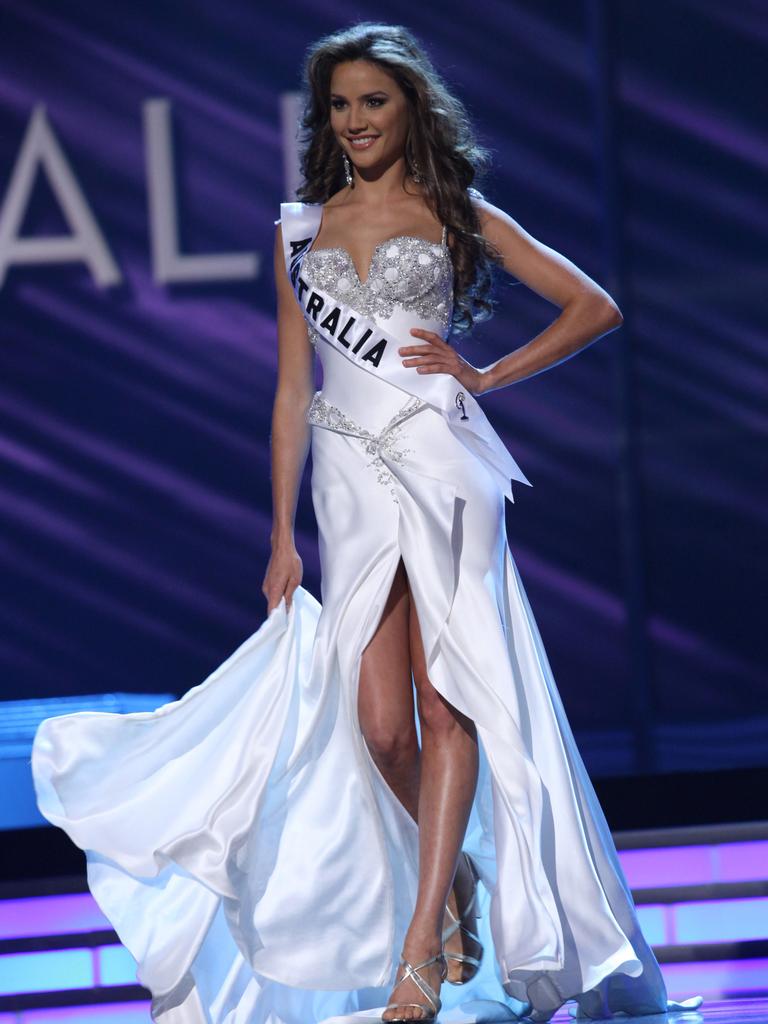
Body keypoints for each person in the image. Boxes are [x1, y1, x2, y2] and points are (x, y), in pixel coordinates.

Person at [31, 20, 703, 1024]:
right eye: (339, 105)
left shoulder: (452, 208)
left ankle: (420, 950)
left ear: (411, 109)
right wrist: (278, 535)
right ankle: (462, 881)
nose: (353, 122)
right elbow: (291, 387)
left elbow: (591, 304)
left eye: (372, 102)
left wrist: (486, 376)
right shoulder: (299, 230)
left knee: (450, 700)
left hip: (438, 469)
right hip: (344, 482)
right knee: (382, 725)